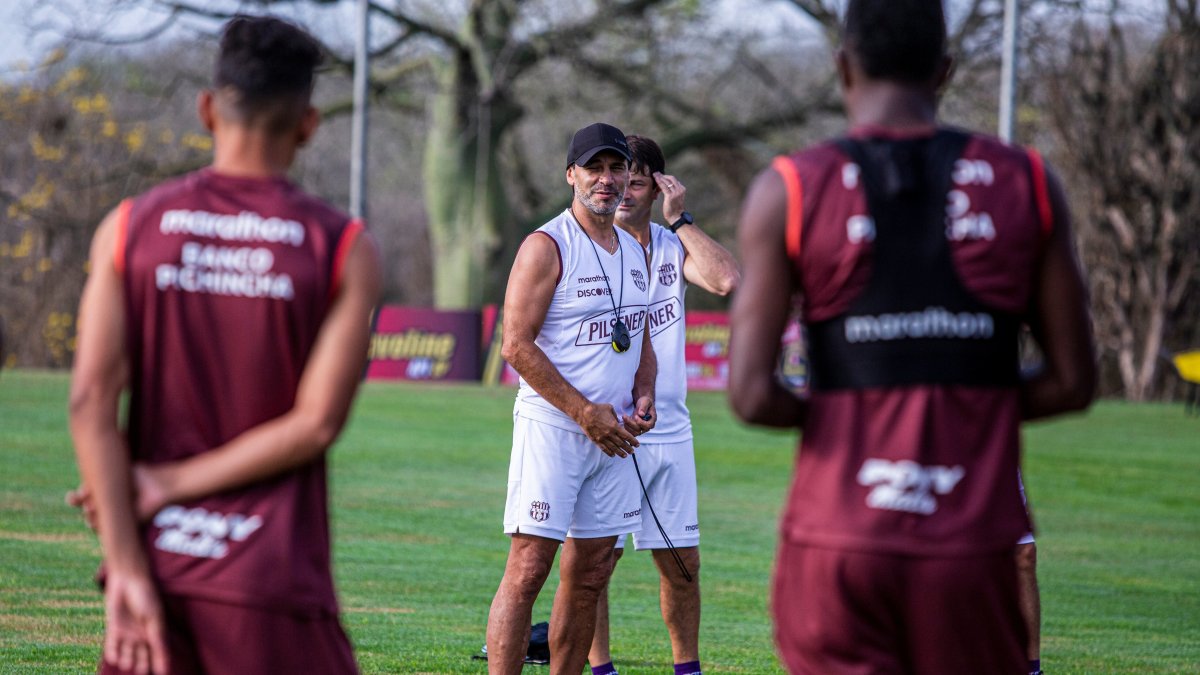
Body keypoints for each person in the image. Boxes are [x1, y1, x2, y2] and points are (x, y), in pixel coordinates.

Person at [727, 0, 1097, 672]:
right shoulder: (1030, 183)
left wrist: (852, 407)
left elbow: (752, 396)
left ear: (844, 68)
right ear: (946, 70)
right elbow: (1073, 381)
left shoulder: (788, 189)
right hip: (971, 544)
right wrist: (966, 395)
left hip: (837, 540)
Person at [67, 15, 380, 674]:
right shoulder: (342, 248)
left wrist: (125, 564)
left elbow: (90, 401)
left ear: (208, 109)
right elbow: (317, 421)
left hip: (155, 580)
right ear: (307, 124)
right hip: (270, 584)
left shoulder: (129, 228)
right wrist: (156, 482)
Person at [485, 122, 657, 675]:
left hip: (615, 437)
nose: (607, 180)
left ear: (631, 176)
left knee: (591, 573)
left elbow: (642, 331)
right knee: (530, 567)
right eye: (594, 168)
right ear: (571, 176)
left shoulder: (634, 249)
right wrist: (584, 412)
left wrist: (645, 389)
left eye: (616, 168)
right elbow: (514, 344)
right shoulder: (546, 245)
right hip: (556, 429)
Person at [586, 135, 739, 675]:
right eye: (618, 177)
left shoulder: (673, 244)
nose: (623, 189)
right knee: (595, 560)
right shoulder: (587, 247)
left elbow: (726, 279)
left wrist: (681, 220)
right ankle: (601, 668)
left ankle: (687, 669)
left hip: (671, 429)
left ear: (658, 186)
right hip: (609, 427)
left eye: (637, 180)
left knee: (683, 565)